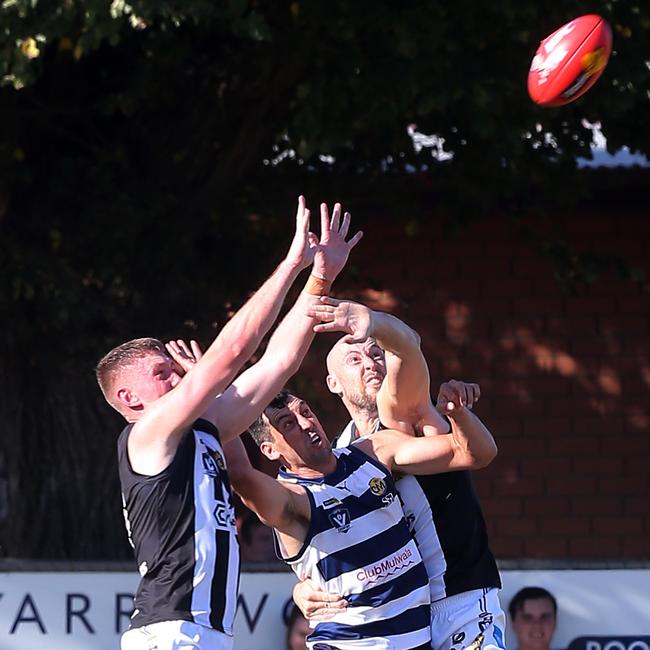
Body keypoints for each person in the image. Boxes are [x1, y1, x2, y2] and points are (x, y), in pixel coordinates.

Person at [95, 197, 362, 650]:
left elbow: (278, 361)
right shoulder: (146, 435)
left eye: (175, 369)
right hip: (171, 632)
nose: (178, 376)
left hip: (204, 633)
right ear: (128, 398)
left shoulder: (203, 430)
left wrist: (321, 277)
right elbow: (231, 352)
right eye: (162, 373)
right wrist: (291, 263)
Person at [293, 297, 507, 650]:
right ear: (332, 383)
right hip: (400, 620)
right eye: (354, 358)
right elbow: (325, 543)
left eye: (376, 353)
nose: (370, 363)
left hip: (460, 600)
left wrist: (375, 322)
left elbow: (408, 347)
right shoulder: (339, 454)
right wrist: (302, 588)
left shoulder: (402, 418)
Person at [224, 382, 497, 649]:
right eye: (288, 424)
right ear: (270, 450)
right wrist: (216, 398)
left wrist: (457, 413)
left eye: (304, 412)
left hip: (417, 639)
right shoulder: (292, 499)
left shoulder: (372, 452)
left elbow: (473, 454)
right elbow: (240, 475)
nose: (306, 424)